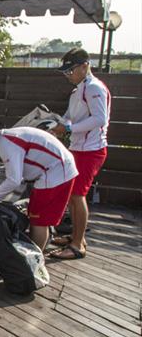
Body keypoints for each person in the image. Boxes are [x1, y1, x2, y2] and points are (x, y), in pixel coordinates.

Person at [0, 122, 78, 251]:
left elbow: (14, 180)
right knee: (38, 218)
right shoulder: (7, 137)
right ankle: (35, 256)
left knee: (38, 221)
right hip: (57, 169)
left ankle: (34, 260)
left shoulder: (6, 144)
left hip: (55, 172)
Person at [49, 48, 110, 260]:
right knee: (73, 195)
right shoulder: (79, 90)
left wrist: (67, 129)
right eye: (66, 72)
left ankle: (77, 245)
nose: (68, 75)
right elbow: (70, 117)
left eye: (71, 70)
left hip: (90, 150)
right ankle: (76, 236)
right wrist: (57, 123)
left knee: (77, 195)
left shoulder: (93, 88)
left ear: (85, 66)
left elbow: (99, 119)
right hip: (79, 148)